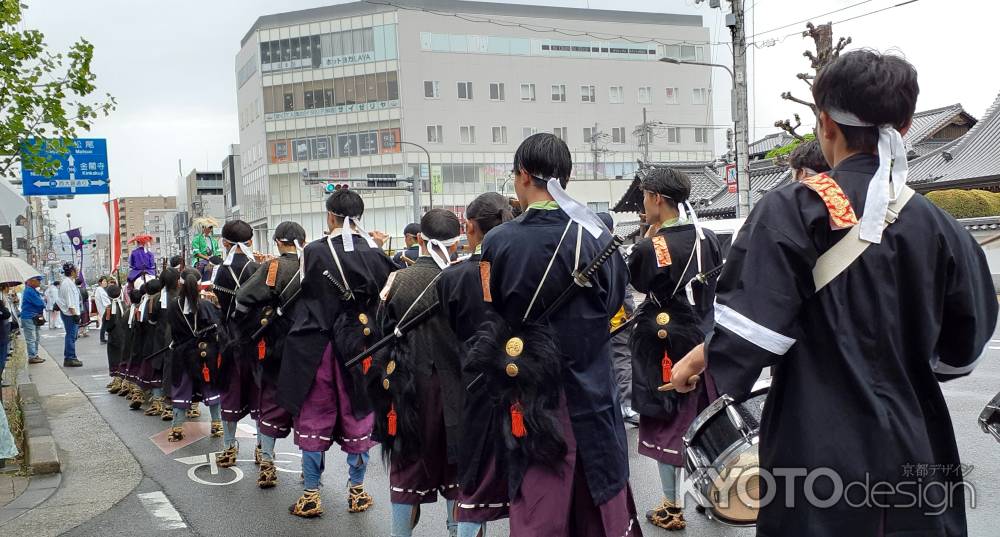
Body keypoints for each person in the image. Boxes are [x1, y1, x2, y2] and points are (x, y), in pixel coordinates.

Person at [670, 50, 998, 536]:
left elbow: (750, 338)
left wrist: (700, 360)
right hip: (917, 445)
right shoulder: (943, 227)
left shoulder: (791, 208)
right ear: (905, 127)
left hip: (816, 447)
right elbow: (959, 357)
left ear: (824, 123)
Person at [473, 133, 637, 536]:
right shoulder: (597, 235)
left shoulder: (497, 241)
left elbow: (489, 308)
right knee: (598, 490)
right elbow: (614, 300)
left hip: (528, 389)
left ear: (525, 175)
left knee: (536, 493)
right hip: (591, 384)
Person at [279, 188, 395, 518]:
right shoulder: (374, 252)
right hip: (361, 348)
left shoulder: (314, 251)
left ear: (330, 216)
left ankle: (312, 494)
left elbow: (305, 295)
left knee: (315, 417)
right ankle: (357, 491)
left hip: (317, 348)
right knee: (359, 415)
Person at [625, 167, 722, 530]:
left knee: (667, 420)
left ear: (657, 198)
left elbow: (637, 279)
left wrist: (645, 238)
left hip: (664, 344)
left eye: (644, 197)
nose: (642, 204)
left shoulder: (653, 245)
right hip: (704, 337)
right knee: (701, 419)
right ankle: (712, 495)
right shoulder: (707, 237)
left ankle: (671, 505)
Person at [371, 209, 463, 537]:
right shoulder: (464, 277)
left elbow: (383, 330)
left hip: (409, 385)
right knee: (458, 465)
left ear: (420, 240)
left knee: (406, 463)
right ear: (457, 241)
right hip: (458, 387)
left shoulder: (399, 279)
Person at [435, 192, 514, 537]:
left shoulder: (452, 277)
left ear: (470, 228)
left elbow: (450, 329)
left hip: (473, 381)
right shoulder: (521, 266)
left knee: (474, 471)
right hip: (522, 379)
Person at [234, 221, 305, 488]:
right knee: (307, 408)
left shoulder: (273, 267)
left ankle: (266, 462)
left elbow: (243, 298)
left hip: (276, 344)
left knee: (271, 400)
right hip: (310, 347)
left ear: (277, 242)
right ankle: (309, 471)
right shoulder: (315, 266)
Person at [212, 220, 261, 468]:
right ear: (251, 241)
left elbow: (220, 305)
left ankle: (229, 447)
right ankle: (264, 452)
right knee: (260, 392)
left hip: (229, 338)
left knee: (229, 391)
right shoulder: (258, 268)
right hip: (257, 339)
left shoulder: (220, 271)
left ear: (224, 243)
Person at [166, 268, 224, 442]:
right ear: (200, 286)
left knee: (182, 387)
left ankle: (177, 427)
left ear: (179, 284)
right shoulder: (206, 305)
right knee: (210, 386)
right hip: (204, 354)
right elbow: (218, 326)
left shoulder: (173, 306)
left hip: (182, 353)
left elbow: (174, 330)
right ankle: (217, 424)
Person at [56, 263, 83, 367]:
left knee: (72, 336)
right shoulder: (67, 284)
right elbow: (70, 302)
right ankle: (69, 358)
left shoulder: (69, 282)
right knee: (71, 336)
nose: (78, 271)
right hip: (70, 314)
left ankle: (71, 356)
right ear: (72, 271)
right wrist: (75, 315)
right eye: (76, 269)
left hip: (71, 313)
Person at [104, 284, 127, 394]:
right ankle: (122, 379)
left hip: (114, 337)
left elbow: (107, 324)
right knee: (124, 357)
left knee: (114, 357)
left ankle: (117, 378)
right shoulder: (125, 305)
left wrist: (108, 331)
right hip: (125, 336)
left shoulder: (109, 308)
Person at [20, 275, 46, 365]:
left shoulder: (32, 290)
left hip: (34, 316)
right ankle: (32, 356)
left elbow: (41, 303)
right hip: (29, 317)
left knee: (36, 337)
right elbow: (40, 303)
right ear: (31, 281)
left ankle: (34, 354)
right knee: (31, 338)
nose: (39, 282)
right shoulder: (29, 291)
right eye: (38, 280)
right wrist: (43, 302)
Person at [94, 276, 111, 344]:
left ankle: (103, 338)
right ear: (100, 283)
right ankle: (102, 339)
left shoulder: (99, 289)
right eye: (103, 281)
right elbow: (106, 301)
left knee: (105, 324)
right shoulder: (100, 290)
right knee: (105, 324)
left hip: (102, 309)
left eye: (106, 281)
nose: (105, 282)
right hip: (104, 309)